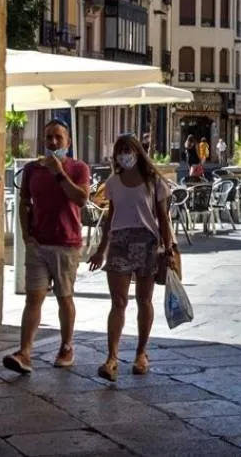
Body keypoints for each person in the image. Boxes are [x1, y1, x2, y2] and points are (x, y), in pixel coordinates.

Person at [3, 120, 90, 375]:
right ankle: (25, 352)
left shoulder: (78, 168)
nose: (53, 142)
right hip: (39, 244)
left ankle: (66, 347)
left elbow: (81, 198)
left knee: (64, 297)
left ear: (68, 142)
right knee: (33, 298)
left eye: (58, 138)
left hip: (66, 243)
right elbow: (24, 201)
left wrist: (59, 172)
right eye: (49, 137)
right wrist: (26, 233)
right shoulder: (32, 169)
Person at [88, 135, 174, 382]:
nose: (124, 155)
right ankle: (111, 358)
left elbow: (163, 217)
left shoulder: (153, 181)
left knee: (144, 300)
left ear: (137, 152)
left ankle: (141, 353)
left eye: (128, 150)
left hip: (147, 243)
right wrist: (101, 249)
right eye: (120, 151)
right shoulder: (113, 182)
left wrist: (168, 249)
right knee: (118, 302)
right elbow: (110, 217)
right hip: (119, 243)